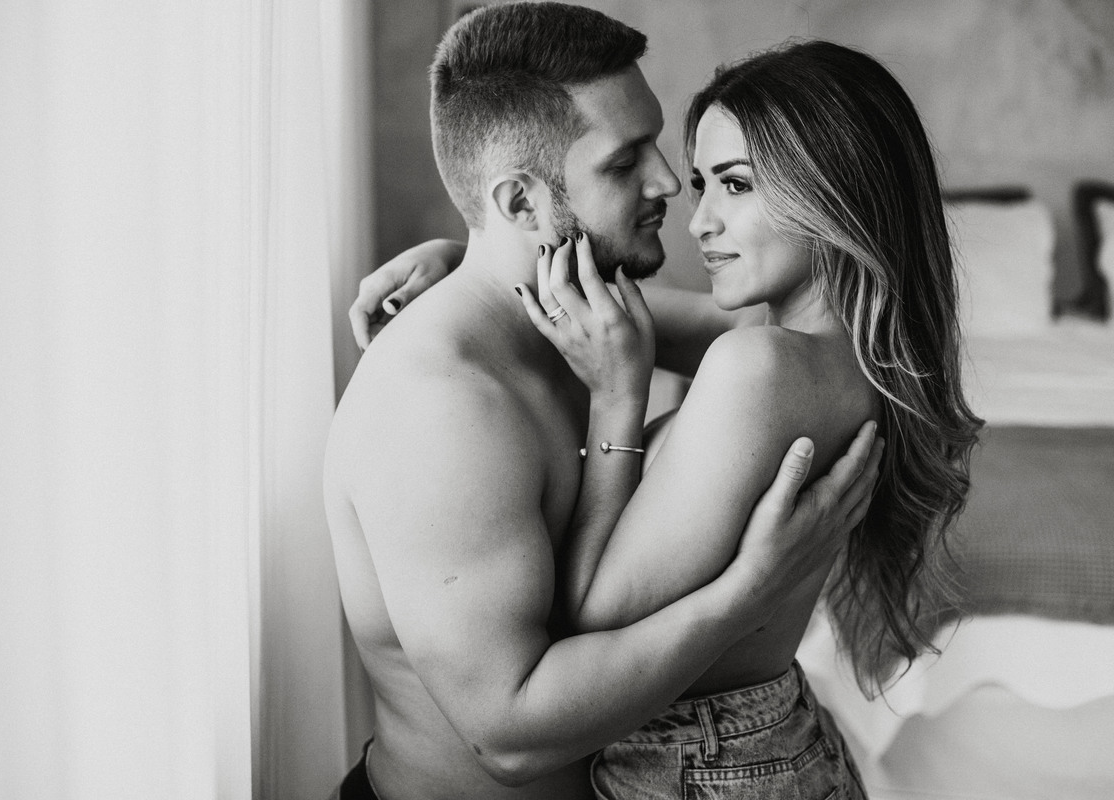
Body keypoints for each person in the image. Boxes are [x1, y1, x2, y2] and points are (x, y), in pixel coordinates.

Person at [350, 28, 984, 800]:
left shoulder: (762, 366)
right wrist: (473, 256)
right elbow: (654, 319)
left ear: (835, 194)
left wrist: (619, 399)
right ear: (519, 202)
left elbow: (588, 623)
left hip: (718, 765)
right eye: (631, 163)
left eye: (735, 184)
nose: (687, 208)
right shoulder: (833, 349)